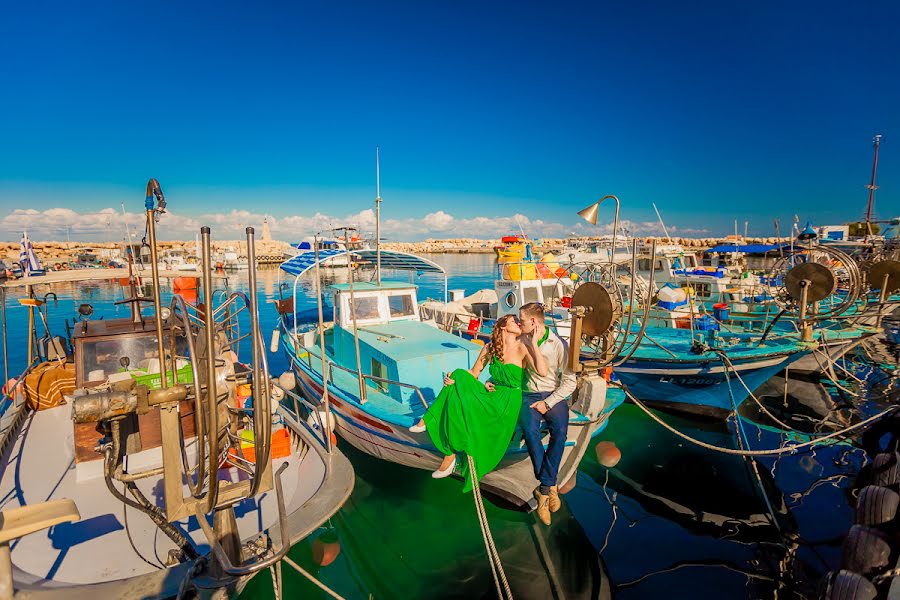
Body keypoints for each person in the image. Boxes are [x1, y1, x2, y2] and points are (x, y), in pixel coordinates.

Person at [409, 314, 549, 489]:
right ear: (503, 326)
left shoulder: (523, 347)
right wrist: (455, 378)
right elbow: (474, 373)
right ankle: (447, 449)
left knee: (458, 382)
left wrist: (534, 341)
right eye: (514, 321)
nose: (519, 323)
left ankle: (431, 423)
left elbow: (542, 370)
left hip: (508, 401)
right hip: (492, 393)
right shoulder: (490, 348)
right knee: (457, 374)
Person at [517, 302, 576, 526]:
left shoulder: (559, 343)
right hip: (527, 394)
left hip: (553, 394)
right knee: (530, 430)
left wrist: (549, 402)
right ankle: (549, 487)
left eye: (522, 320)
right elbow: (511, 368)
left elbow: (570, 381)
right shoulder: (520, 340)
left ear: (534, 321)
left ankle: (543, 489)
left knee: (560, 431)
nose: (519, 323)